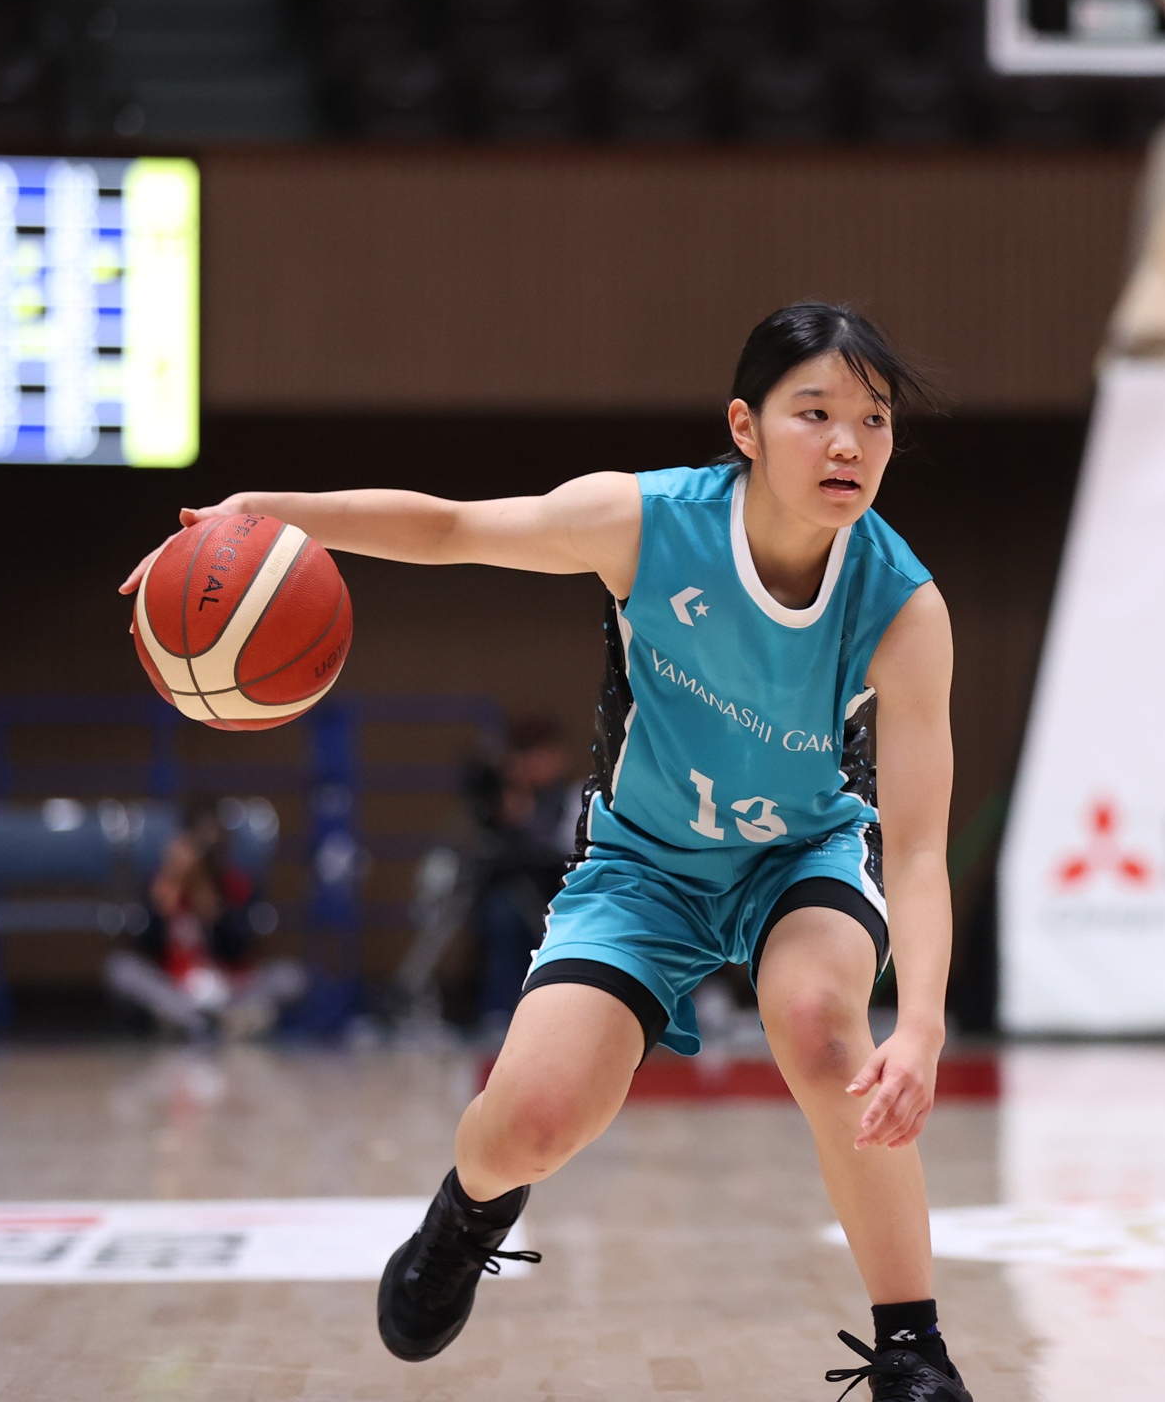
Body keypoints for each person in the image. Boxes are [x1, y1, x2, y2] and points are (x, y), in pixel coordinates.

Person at [119, 304, 971, 1400]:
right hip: (644, 867)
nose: (849, 442)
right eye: (815, 413)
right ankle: (468, 1212)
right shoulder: (645, 522)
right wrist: (266, 513)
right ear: (745, 427)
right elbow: (450, 528)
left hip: (800, 857)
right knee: (531, 1122)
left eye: (874, 418)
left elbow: (919, 848)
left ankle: (911, 1349)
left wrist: (924, 1026)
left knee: (821, 1028)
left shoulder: (903, 606)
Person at [103, 799, 307, 1040]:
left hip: (231, 989)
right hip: (177, 989)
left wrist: (211, 907)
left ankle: (222, 1021)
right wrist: (163, 900)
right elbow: (143, 946)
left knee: (290, 975)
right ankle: (191, 1021)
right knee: (120, 968)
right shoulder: (161, 884)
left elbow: (240, 948)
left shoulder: (238, 885)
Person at [474, 716, 577, 1031]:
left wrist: (527, 816)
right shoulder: (505, 798)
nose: (534, 763)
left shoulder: (575, 795)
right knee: (501, 913)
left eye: (541, 752)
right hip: (513, 896)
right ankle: (501, 1008)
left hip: (561, 894)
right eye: (525, 753)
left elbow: (566, 847)